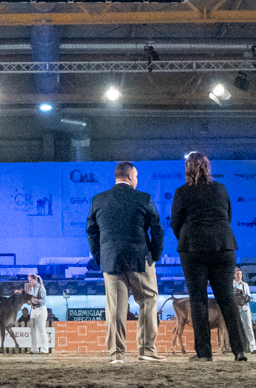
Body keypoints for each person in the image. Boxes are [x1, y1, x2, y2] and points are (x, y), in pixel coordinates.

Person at [170, 151, 246, 362]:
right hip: (223, 247)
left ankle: (204, 354)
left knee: (198, 301)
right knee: (227, 299)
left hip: (193, 250)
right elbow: (227, 217)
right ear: (207, 168)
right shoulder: (221, 189)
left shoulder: (181, 192)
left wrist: (188, 240)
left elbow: (175, 224)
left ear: (187, 169)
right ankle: (239, 350)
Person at [86, 159, 164, 364]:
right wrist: (155, 255)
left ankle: (116, 354)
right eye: (136, 176)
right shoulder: (144, 198)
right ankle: (146, 349)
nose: (137, 179)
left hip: (111, 260)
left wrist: (99, 256)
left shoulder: (98, 200)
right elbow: (157, 228)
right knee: (148, 301)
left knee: (115, 308)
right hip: (139, 259)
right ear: (129, 176)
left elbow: (91, 231)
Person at [23, 271, 52, 354]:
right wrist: (29, 302)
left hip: (41, 310)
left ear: (35, 279)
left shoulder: (41, 288)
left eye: (31, 280)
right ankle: (34, 349)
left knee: (41, 329)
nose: (30, 282)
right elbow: (31, 300)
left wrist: (35, 300)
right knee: (32, 330)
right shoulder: (32, 289)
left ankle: (44, 349)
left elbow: (43, 301)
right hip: (33, 310)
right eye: (29, 281)